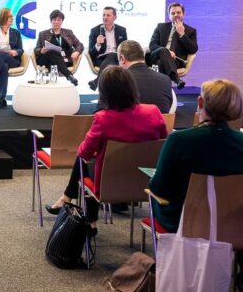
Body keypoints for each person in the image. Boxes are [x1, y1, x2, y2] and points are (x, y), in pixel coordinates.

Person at [45, 67, 168, 234]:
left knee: (84, 162)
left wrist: (99, 151)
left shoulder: (103, 118)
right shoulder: (153, 111)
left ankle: (88, 218)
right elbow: (162, 143)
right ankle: (69, 200)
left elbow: (84, 152)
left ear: (104, 92)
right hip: (146, 182)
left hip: (109, 185)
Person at [149, 79, 243, 233]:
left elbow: (159, 188)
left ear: (200, 102)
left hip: (181, 221)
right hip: (228, 221)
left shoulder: (179, 140)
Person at [147, 2, 198, 90]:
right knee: (164, 51)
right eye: (173, 13)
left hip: (174, 61)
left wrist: (182, 34)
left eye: (178, 12)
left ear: (183, 14)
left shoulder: (191, 31)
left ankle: (160, 91)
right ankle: (177, 80)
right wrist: (167, 52)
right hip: (156, 56)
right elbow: (152, 45)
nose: (176, 15)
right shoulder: (160, 27)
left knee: (160, 63)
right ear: (169, 15)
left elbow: (193, 49)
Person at [116, 40, 173, 113]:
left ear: (122, 59)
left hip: (130, 120)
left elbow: (104, 111)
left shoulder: (118, 80)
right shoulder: (166, 80)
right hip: (160, 120)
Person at [33, 9, 84, 86]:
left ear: (62, 21)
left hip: (64, 60)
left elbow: (79, 45)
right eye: (54, 20)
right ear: (51, 21)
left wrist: (77, 52)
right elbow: (36, 49)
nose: (56, 22)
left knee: (53, 64)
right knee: (51, 52)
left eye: (59, 20)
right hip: (45, 59)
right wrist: (41, 51)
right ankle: (69, 76)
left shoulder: (68, 32)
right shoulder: (43, 34)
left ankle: (53, 87)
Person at [87, 6, 127, 91]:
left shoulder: (122, 30)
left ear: (115, 17)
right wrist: (98, 44)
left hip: (118, 58)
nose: (105, 17)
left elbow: (125, 47)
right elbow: (91, 53)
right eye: (103, 15)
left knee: (113, 56)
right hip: (101, 59)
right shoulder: (94, 31)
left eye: (108, 15)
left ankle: (97, 81)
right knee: (111, 56)